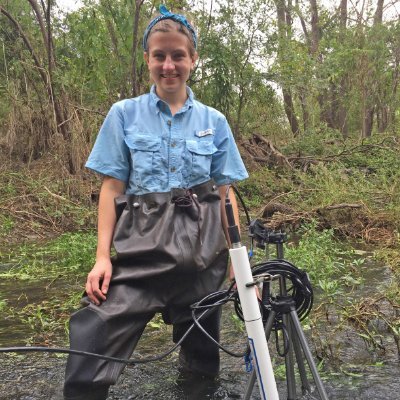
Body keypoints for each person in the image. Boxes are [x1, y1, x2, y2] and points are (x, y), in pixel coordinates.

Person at [63, 5, 248, 400]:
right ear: (147, 58)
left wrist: (237, 257)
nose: (169, 65)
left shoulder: (215, 122)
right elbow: (112, 188)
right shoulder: (123, 114)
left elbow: (224, 192)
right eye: (159, 55)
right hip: (140, 250)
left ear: (193, 59)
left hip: (202, 254)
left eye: (178, 55)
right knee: (92, 336)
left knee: (202, 364)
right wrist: (102, 257)